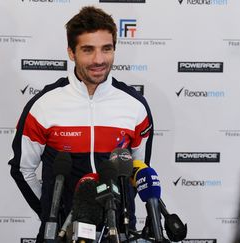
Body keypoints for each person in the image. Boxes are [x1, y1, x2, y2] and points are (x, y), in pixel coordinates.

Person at [8, 5, 154, 242]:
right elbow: (22, 170)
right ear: (71, 52)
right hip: (62, 232)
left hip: (120, 233)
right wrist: (50, 214)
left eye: (106, 49)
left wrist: (118, 213)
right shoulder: (44, 105)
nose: (99, 60)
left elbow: (139, 169)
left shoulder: (135, 105)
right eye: (88, 50)